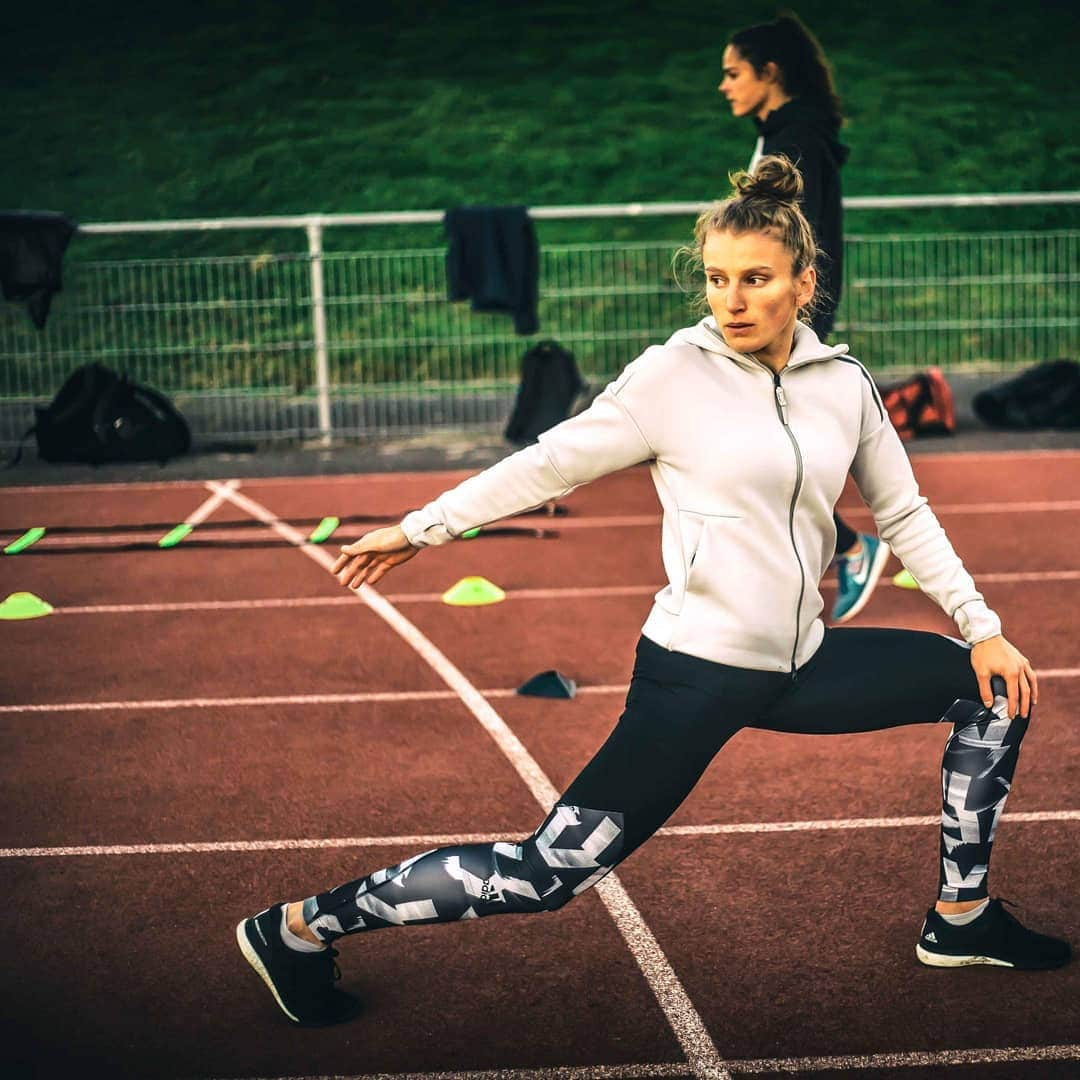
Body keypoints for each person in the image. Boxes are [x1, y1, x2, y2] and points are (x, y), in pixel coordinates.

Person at [236, 157, 1069, 1029]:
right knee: (545, 873)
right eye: (717, 280)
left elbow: (903, 511)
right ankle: (297, 929)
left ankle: (961, 919)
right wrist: (421, 526)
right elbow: (549, 461)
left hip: (804, 662)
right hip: (695, 675)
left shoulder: (843, 385)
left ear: (804, 283)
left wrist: (984, 627)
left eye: (756, 279)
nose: (733, 300)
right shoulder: (672, 379)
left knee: (993, 691)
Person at [719, 12, 886, 623]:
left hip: (789, 308)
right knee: (748, 433)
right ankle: (823, 553)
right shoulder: (783, 131)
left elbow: (792, 234)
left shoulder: (798, 140)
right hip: (776, 303)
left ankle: (844, 547)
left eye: (734, 73)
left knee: (754, 432)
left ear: (771, 73)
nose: (724, 86)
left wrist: (780, 301)